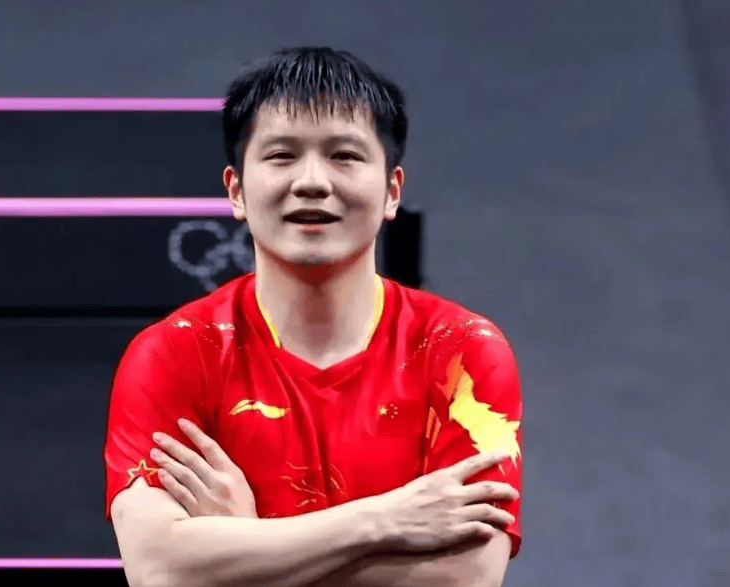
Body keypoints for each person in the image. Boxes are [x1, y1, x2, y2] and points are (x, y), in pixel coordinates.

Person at [104, 46, 523, 587]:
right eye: (281, 155)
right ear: (236, 190)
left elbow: (464, 577)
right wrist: (387, 521)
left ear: (392, 191)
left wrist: (245, 545)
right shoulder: (175, 352)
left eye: (344, 156)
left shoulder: (461, 349)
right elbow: (158, 570)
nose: (311, 181)